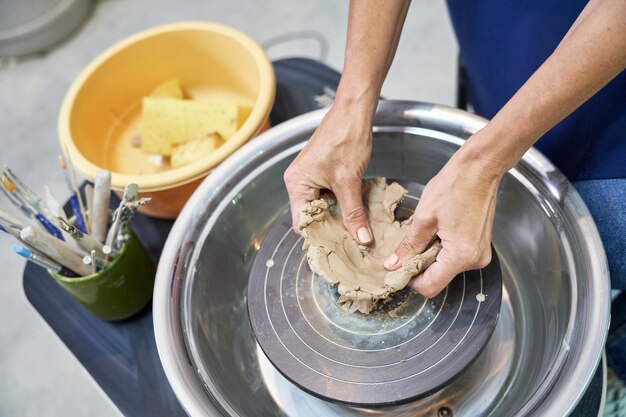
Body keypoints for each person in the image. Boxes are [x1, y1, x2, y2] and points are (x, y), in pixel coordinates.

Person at [284, 0, 626, 413]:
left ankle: (614, 362)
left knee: (608, 230)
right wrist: (353, 102)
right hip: (497, 21)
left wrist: (484, 162)